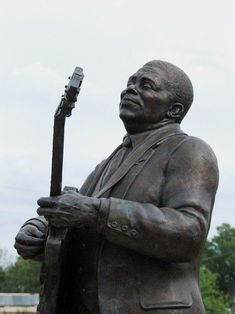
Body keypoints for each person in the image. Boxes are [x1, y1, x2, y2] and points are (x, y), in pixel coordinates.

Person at [15, 60, 219, 314]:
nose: (130, 90)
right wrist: (40, 232)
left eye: (146, 86)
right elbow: (76, 217)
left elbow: (189, 233)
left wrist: (97, 212)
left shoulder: (189, 152)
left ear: (174, 110)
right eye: (130, 83)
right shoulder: (107, 164)